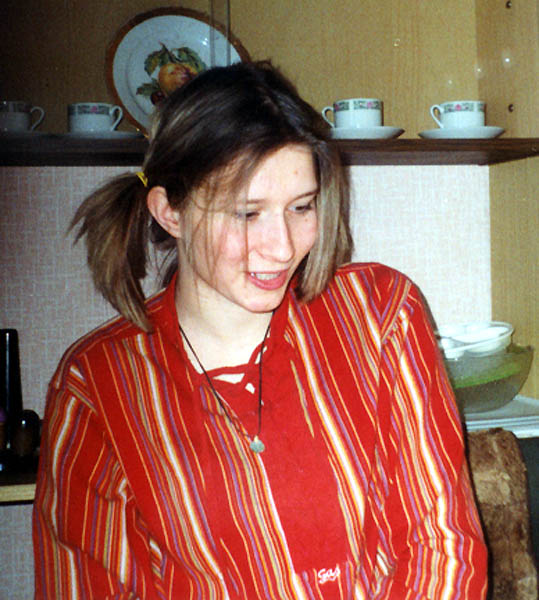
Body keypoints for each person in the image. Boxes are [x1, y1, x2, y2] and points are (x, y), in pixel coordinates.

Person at [33, 60, 487, 599]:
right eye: (247, 214)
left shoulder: (380, 316)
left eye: (301, 207)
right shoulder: (97, 385)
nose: (282, 247)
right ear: (170, 212)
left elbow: (444, 546)